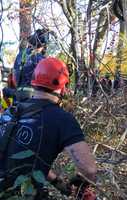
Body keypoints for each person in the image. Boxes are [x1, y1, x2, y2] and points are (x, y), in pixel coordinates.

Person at [0, 57, 97, 199]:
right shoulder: (62, 120)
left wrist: (59, 184)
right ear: (63, 87)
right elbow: (89, 170)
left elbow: (29, 160)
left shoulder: (10, 112)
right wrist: (80, 184)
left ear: (33, 82)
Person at [13, 28, 50, 101]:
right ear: (43, 45)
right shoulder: (41, 60)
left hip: (18, 94)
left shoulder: (21, 55)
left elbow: (15, 76)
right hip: (33, 96)